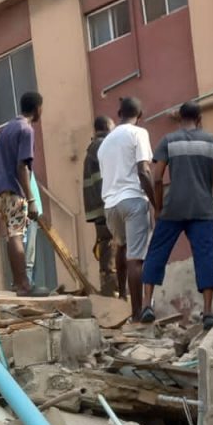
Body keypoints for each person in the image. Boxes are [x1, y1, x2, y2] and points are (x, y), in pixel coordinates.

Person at [141, 101, 213, 326]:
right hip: (203, 209)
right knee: (205, 257)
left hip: (173, 208)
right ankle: (208, 311)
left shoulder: (169, 140)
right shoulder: (212, 141)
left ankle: (146, 304)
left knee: (156, 253)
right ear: (199, 119)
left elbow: (157, 178)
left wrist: (158, 208)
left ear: (179, 119)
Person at [98, 96, 155, 321]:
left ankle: (122, 297)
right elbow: (144, 170)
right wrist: (156, 202)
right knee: (136, 258)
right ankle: (137, 314)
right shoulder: (138, 133)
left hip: (110, 204)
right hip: (132, 200)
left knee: (121, 246)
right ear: (139, 116)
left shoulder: (105, 143)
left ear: (119, 113)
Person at [0, 91, 43, 295]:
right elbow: (22, 166)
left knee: (11, 234)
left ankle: (17, 283)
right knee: (17, 235)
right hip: (13, 189)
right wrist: (31, 199)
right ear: (38, 109)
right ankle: (24, 285)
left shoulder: (7, 128)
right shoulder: (26, 129)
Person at [82, 115, 116, 296]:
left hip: (99, 207)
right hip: (106, 206)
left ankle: (110, 290)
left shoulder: (92, 148)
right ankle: (112, 292)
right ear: (107, 128)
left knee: (106, 247)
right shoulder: (102, 146)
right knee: (110, 248)